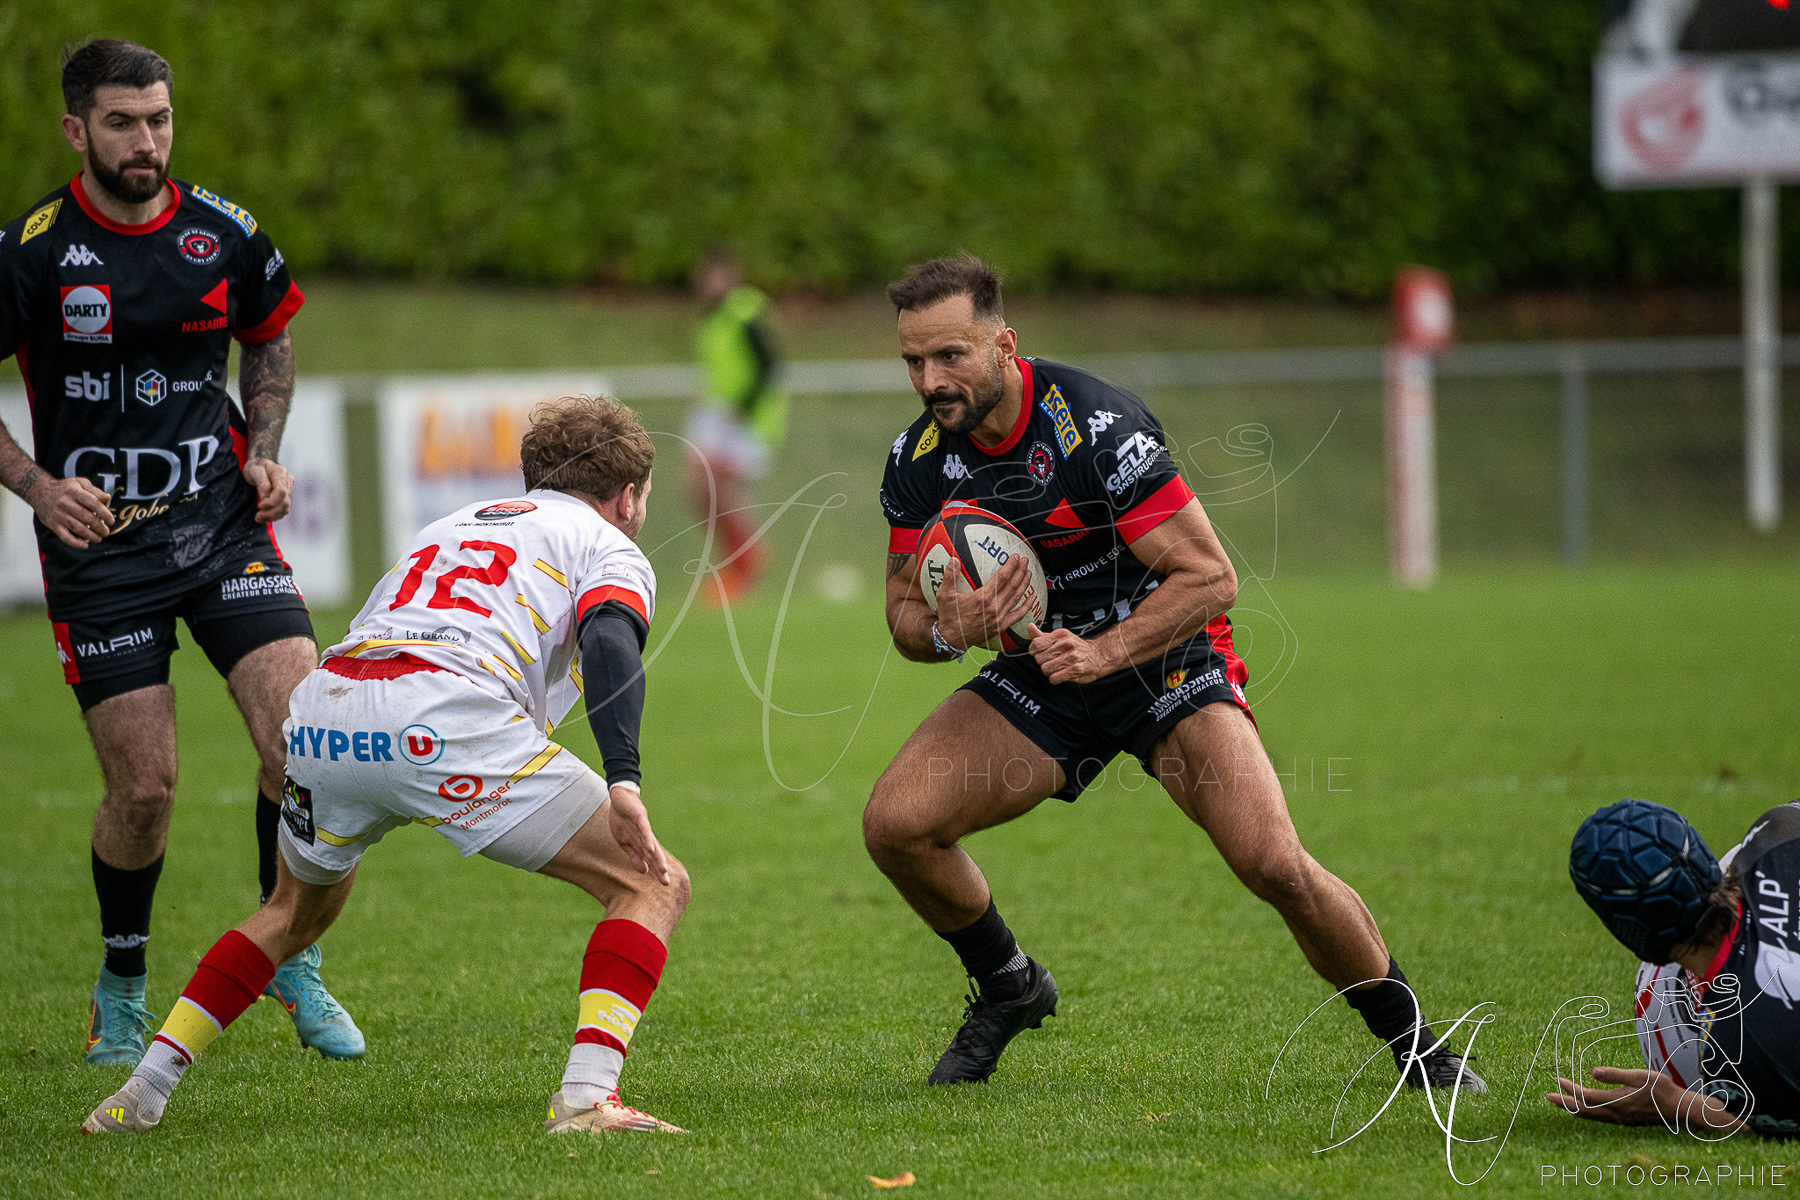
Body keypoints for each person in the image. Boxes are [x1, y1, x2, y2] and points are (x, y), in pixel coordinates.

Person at [866, 254, 1482, 1090]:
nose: (930, 380)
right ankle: (1010, 986)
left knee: (1274, 864)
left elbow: (1210, 577)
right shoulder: (919, 459)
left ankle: (1423, 1054)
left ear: (1005, 345)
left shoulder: (1095, 425)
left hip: (1161, 659)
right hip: (1042, 677)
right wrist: (952, 628)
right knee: (895, 825)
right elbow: (905, 617)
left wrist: (1103, 652)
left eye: (950, 356)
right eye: (913, 361)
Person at [83, 396, 690, 1135]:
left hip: (326, 715)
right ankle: (589, 1099)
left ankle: (141, 1093)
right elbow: (610, 646)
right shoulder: (609, 544)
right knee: (650, 883)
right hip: (445, 721)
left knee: (289, 915)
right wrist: (623, 778)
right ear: (627, 496)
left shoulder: (453, 524)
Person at [0, 39, 360, 1064]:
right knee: (146, 788)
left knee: (307, 748)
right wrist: (36, 485)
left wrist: (269, 449)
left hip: (222, 531)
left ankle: (287, 953)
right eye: (122, 123)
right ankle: (122, 985)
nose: (145, 141)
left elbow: (272, 337)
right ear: (77, 131)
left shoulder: (224, 232)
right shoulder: (29, 252)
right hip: (101, 554)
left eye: (158, 119)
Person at [1553, 798, 1799, 1140]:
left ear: (1631, 934)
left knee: (1658, 998)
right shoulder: (1776, 832)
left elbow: (1767, 1127)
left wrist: (1676, 1105)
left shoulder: (1743, 1044)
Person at [683, 249, 787, 604]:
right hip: (719, 413)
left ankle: (742, 568)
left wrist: (745, 407)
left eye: (715, 274)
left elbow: (769, 363)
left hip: (746, 417)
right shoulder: (713, 318)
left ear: (731, 274)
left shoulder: (745, 309)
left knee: (726, 493)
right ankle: (745, 556)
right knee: (699, 489)